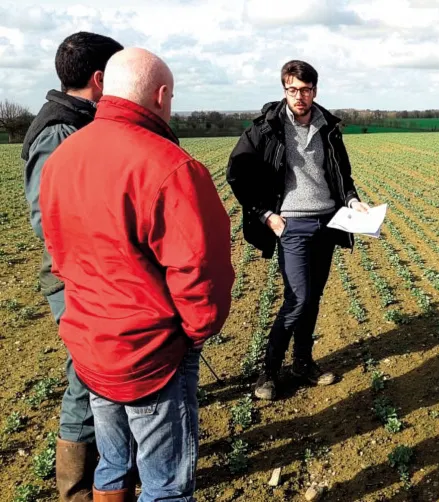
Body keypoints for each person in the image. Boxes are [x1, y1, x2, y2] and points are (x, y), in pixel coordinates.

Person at [39, 48, 234, 501]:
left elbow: (57, 250)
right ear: (161, 95)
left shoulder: (62, 157)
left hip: (90, 343)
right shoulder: (171, 166)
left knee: (112, 463)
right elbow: (201, 272)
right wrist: (194, 333)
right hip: (151, 355)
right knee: (166, 485)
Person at [20, 31, 123, 502]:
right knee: (86, 370)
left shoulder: (84, 121)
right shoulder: (59, 131)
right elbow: (51, 220)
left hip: (98, 275)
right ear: (100, 79)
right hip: (76, 278)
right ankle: (76, 486)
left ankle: (116, 455)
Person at [226, 60, 368, 401]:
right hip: (291, 226)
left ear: (315, 90)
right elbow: (237, 174)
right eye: (292, 90)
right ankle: (269, 371)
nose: (299, 96)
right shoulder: (266, 128)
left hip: (328, 223)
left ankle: (303, 363)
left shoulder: (328, 126)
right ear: (284, 90)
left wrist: (352, 201)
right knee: (298, 298)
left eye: (305, 90)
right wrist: (265, 215)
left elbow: (341, 174)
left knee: (313, 298)